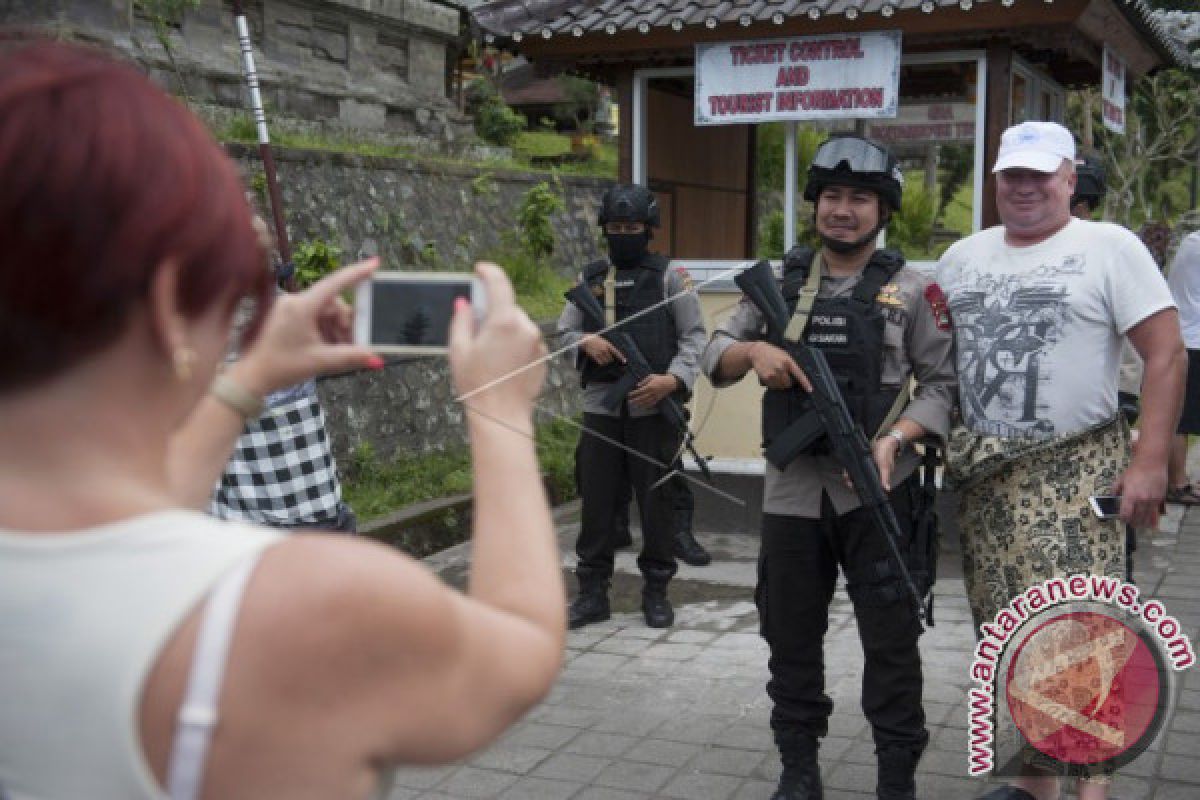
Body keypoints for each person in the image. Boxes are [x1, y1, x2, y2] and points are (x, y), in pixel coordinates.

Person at [0, 36, 564, 800]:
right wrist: (499, 410)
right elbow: (519, 655)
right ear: (170, 307)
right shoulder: (295, 608)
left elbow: (110, 546)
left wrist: (255, 374)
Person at [935, 121, 1185, 800]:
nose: (1026, 187)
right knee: (1011, 636)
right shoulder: (960, 259)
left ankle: (1090, 791)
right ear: (996, 182)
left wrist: (1152, 461)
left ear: (1070, 179)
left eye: (1041, 174)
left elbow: (1166, 353)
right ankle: (1039, 785)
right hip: (988, 485)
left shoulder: (1109, 248)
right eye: (1013, 174)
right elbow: (931, 353)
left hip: (1079, 478)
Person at [703, 134, 956, 800]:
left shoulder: (914, 289)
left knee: (892, 643)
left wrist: (894, 440)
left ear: (883, 209)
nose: (843, 210)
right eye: (833, 196)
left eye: (860, 198)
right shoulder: (780, 283)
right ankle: (798, 766)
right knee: (789, 637)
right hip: (792, 497)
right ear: (815, 204)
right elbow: (715, 352)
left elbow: (941, 386)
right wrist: (755, 354)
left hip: (879, 491)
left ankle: (896, 774)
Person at [557, 183, 708, 629]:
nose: (624, 234)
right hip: (603, 409)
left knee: (657, 507)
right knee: (597, 506)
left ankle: (657, 591)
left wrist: (672, 380)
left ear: (649, 229)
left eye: (633, 227)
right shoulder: (590, 278)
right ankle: (591, 594)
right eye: (617, 227)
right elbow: (563, 335)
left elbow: (695, 337)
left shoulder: (668, 277)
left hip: (652, 412)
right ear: (605, 229)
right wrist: (587, 342)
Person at [1167, 230, 1200, 503]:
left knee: (1179, 415)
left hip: (1183, 335)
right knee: (1182, 417)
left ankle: (1178, 481)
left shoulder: (1191, 241)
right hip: (1195, 339)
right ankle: (1178, 484)